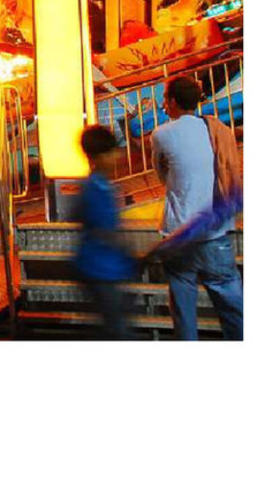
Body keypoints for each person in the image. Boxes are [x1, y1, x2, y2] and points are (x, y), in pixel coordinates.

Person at [151, 75, 243, 340]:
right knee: (232, 308)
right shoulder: (217, 130)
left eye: (165, 99)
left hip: (178, 234)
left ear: (172, 101)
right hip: (215, 233)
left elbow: (162, 174)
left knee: (183, 310)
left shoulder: (162, 134)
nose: (163, 104)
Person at [69, 124, 137, 339]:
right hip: (100, 269)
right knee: (117, 329)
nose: (117, 156)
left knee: (115, 325)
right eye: (110, 152)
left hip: (105, 267)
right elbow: (105, 229)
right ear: (97, 157)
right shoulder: (95, 188)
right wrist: (129, 252)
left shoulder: (100, 186)